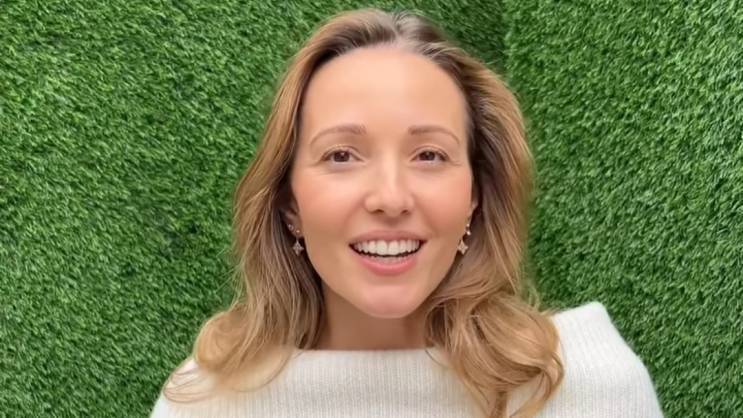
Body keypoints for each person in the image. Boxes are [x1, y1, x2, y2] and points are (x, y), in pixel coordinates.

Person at [150, 7, 663, 418]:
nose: (391, 197)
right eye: (341, 156)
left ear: (475, 196)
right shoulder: (206, 403)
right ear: (290, 204)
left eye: (429, 155)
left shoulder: (586, 387)